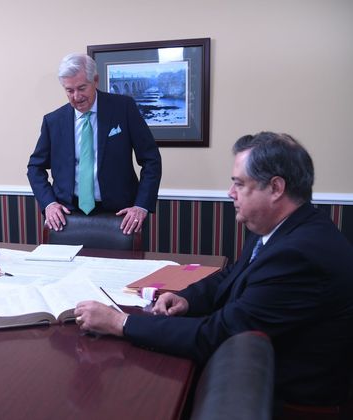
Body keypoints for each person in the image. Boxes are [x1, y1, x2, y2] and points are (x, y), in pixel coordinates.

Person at [74, 132, 353, 406]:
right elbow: (233, 275)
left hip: (283, 399)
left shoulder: (299, 255)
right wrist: (187, 298)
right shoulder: (280, 228)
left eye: (240, 184)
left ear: (276, 188)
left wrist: (119, 323)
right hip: (251, 369)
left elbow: (217, 335)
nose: (230, 193)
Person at [27, 53, 162, 235]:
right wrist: (49, 204)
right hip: (67, 216)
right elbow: (35, 167)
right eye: (69, 90)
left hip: (121, 216)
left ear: (96, 81)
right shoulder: (53, 121)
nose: (76, 96)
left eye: (82, 88)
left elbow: (151, 159)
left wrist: (141, 205)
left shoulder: (124, 108)